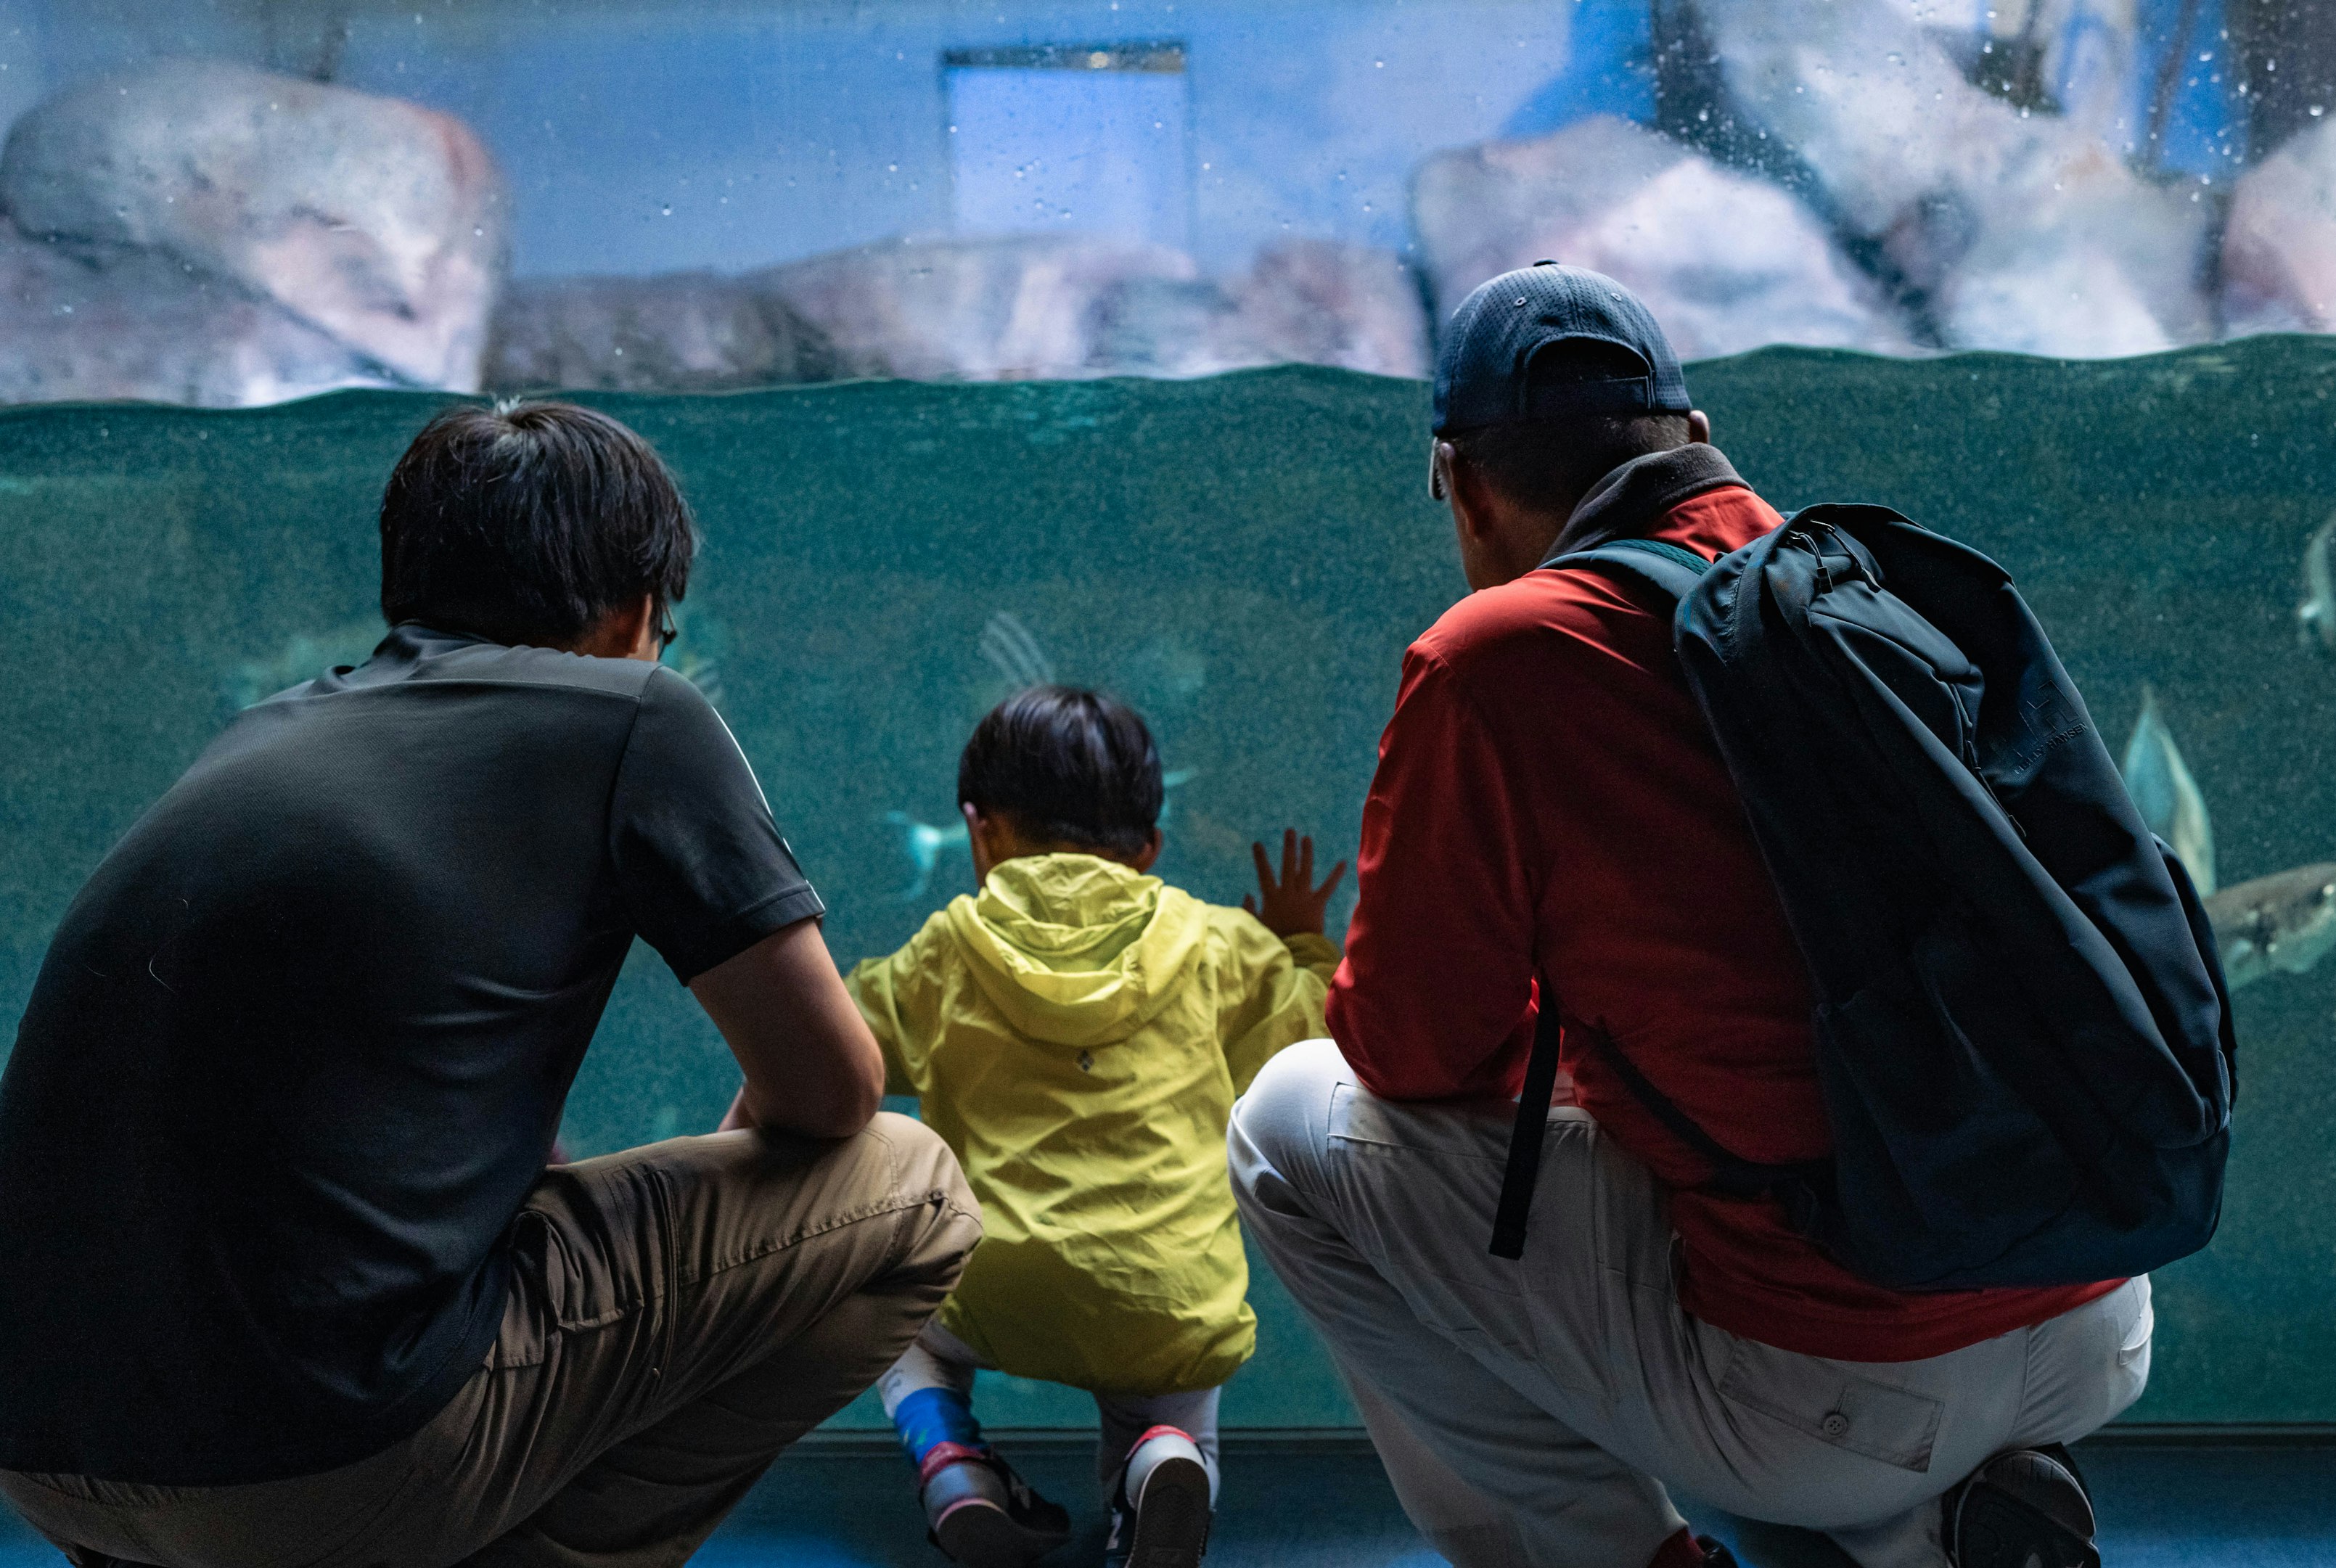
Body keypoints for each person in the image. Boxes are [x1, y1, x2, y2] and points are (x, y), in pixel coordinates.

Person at [1228, 265, 2155, 1568]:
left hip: (1833, 1387)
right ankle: (1934, 1525)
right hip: (2096, 1308)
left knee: (1284, 1124)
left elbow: (1413, 1055)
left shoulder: (1500, 661)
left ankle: (1622, 1554)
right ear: (1700, 446)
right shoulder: (1871, 582)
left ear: (1465, 484)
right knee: (1733, 1167)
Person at [0, 401, 980, 1568]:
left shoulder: (261, 736)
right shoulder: (637, 714)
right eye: (662, 626)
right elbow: (831, 1091)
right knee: (910, 1184)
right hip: (317, 1465)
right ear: (633, 611)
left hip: (45, 1451)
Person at [847, 686, 1345, 1568]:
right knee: (1168, 1406)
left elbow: (842, 1052)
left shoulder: (945, 951)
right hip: (1164, 1303)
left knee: (898, 1311)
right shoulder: (1219, 945)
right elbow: (1318, 1036)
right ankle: (1159, 1461)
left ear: (982, 829)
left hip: (988, 1286)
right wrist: (1301, 944)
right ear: (1149, 847)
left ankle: (951, 1462)